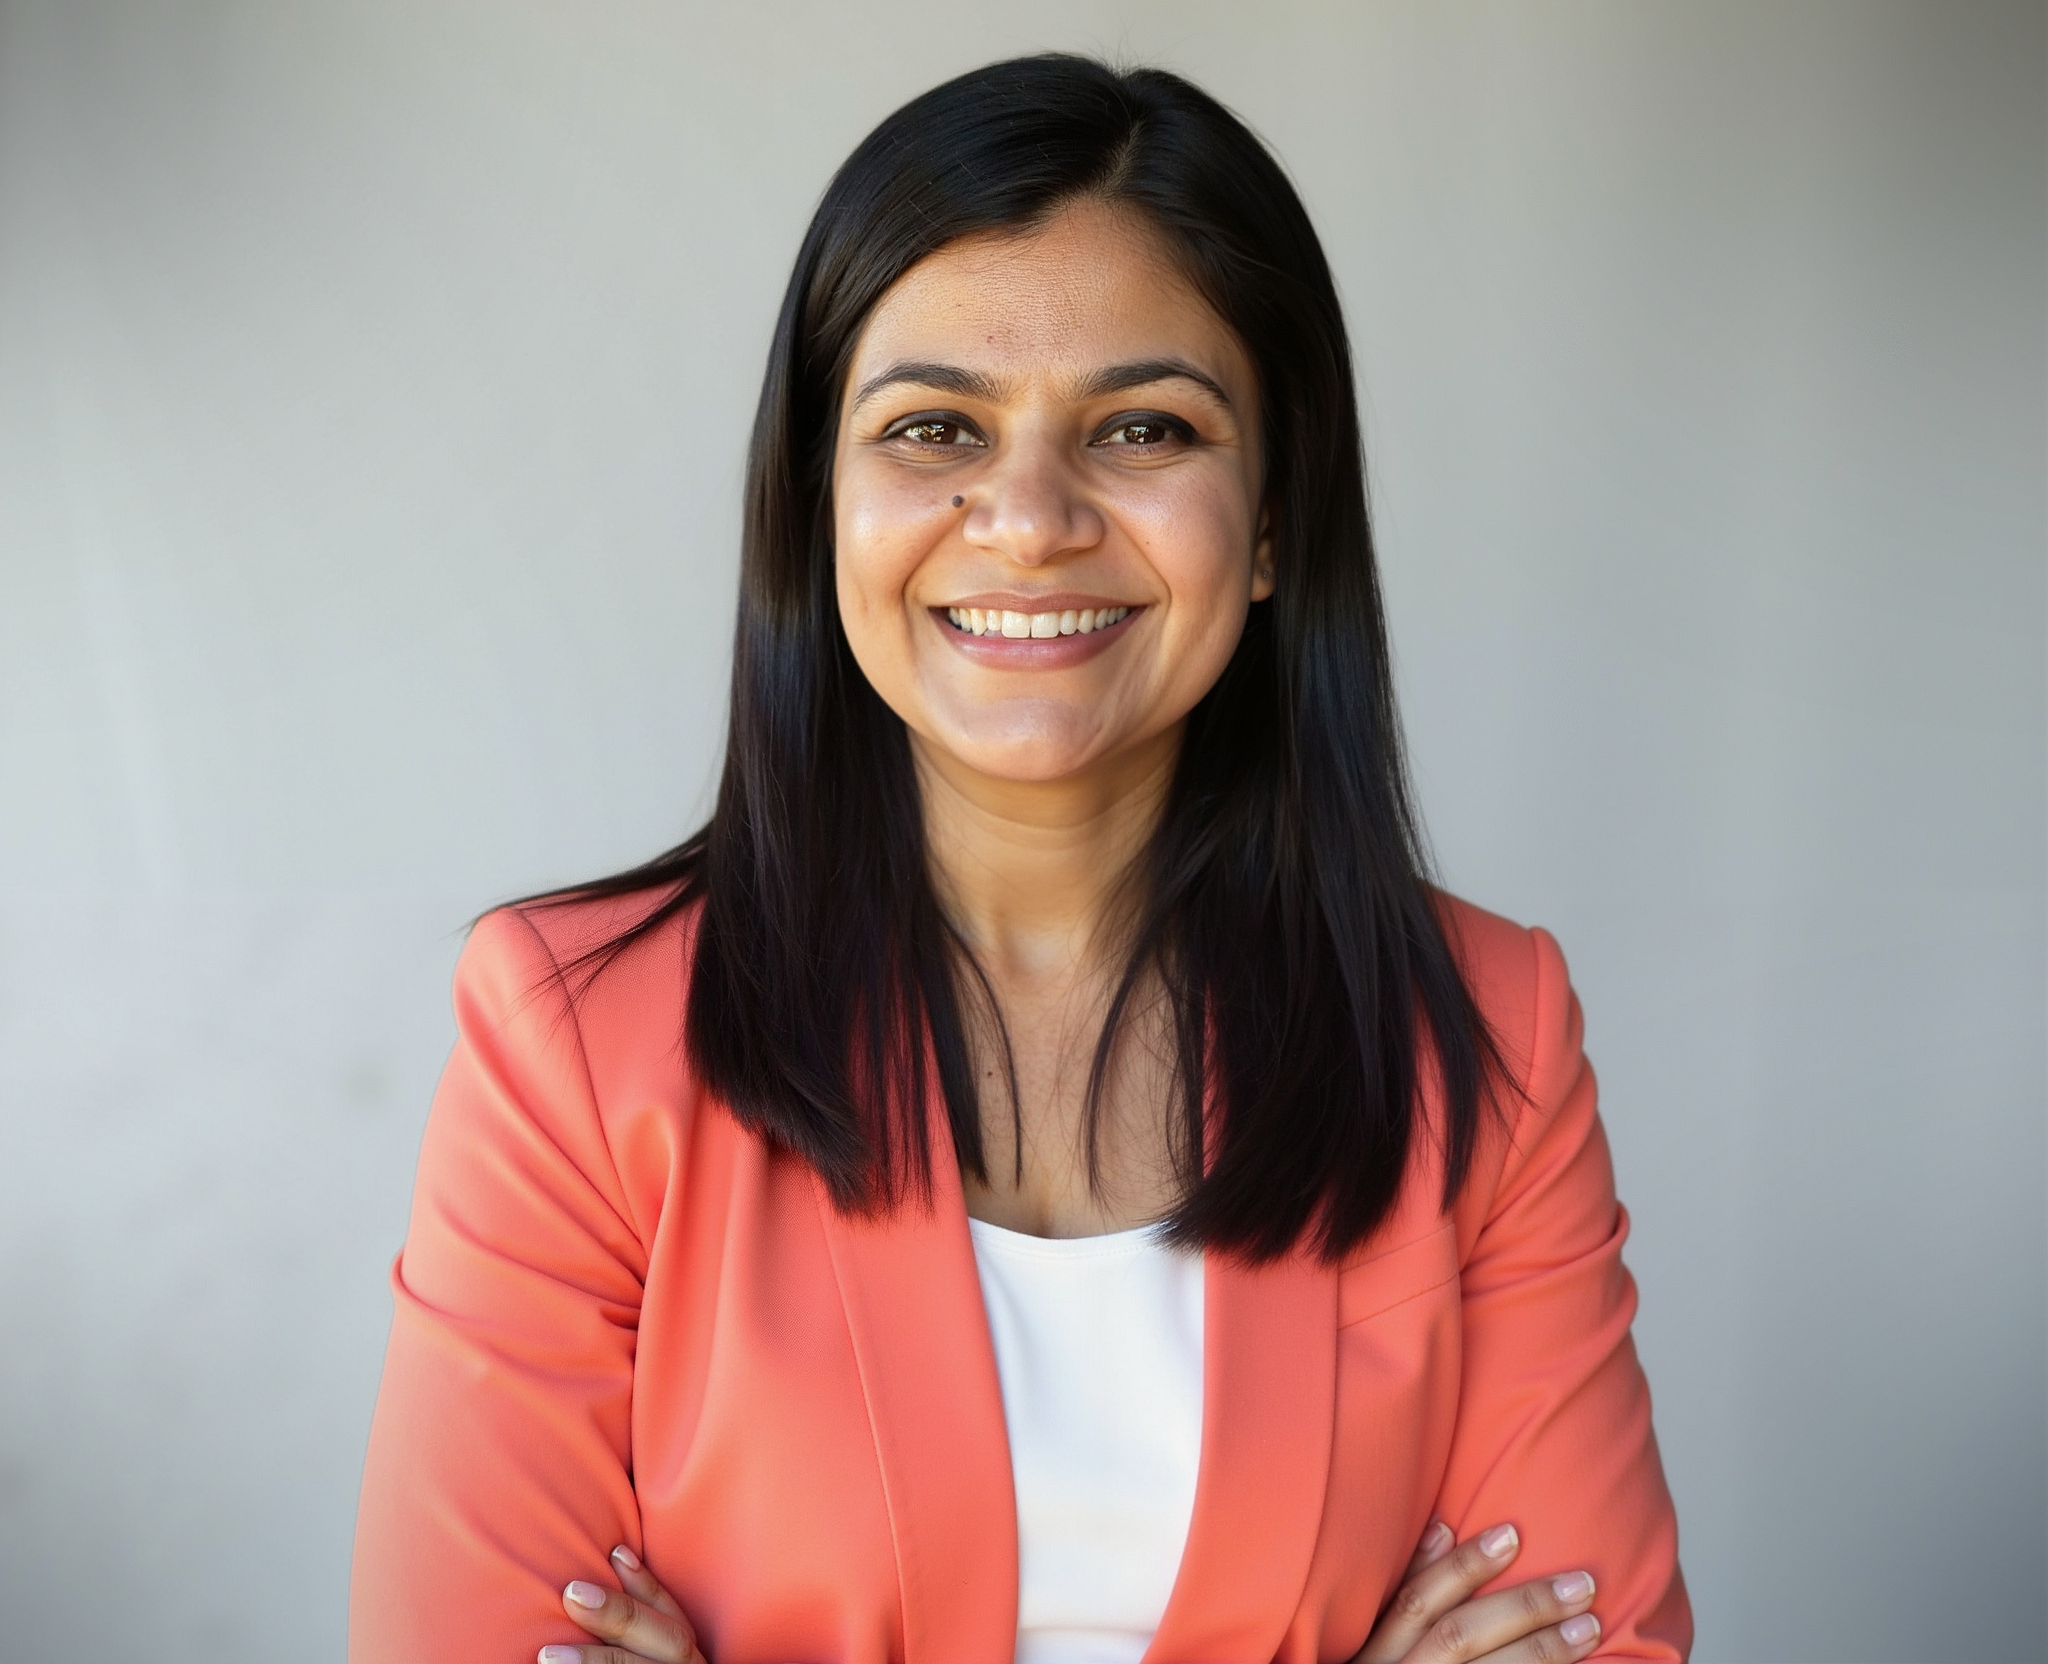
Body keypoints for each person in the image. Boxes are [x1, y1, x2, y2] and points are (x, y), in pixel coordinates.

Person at [348, 54, 1690, 1664]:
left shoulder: (1488, 1033)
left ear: (1271, 520)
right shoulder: (572, 1039)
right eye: (934, 430)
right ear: (819, 508)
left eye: (1140, 426)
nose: (1031, 517)